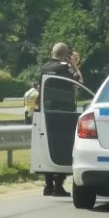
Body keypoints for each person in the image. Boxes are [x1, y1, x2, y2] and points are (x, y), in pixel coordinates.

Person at [39, 42, 82, 197]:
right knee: (62, 147)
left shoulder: (44, 68)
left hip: (46, 112)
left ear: (53, 52)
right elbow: (79, 82)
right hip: (64, 112)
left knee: (48, 146)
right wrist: (75, 65)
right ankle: (58, 186)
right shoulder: (66, 69)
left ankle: (48, 185)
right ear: (66, 55)